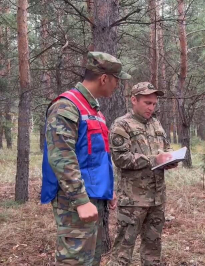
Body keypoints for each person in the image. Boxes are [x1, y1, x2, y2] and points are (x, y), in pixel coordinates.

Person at [41, 51, 132, 265]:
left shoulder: (94, 110)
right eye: (117, 80)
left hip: (94, 197)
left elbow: (97, 156)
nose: (118, 85)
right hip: (75, 200)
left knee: (91, 259)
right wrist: (81, 200)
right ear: (104, 78)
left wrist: (108, 191)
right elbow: (61, 157)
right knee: (75, 260)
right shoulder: (66, 106)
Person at [108, 82, 177, 266]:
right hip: (133, 201)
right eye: (147, 103)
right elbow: (121, 159)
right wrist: (155, 159)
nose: (151, 107)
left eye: (154, 104)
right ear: (134, 100)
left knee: (153, 250)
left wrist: (170, 158)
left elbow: (166, 148)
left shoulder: (156, 124)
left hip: (156, 198)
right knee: (122, 251)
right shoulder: (122, 125)